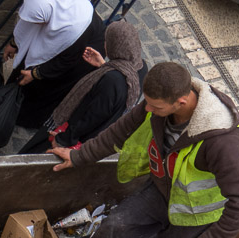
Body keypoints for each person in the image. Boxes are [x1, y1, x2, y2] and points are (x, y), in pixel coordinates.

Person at [48, 62, 239, 238]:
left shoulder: (221, 143)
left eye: (155, 106)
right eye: (146, 102)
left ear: (181, 102)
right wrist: (78, 156)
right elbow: (120, 131)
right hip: (162, 190)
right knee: (113, 226)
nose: (146, 109)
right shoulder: (158, 104)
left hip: (196, 212)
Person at [18, 19, 148, 154]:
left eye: (107, 42)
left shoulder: (112, 80)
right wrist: (104, 66)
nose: (104, 45)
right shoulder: (141, 67)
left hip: (71, 134)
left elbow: (92, 117)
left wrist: (64, 139)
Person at [3, 0, 106, 129]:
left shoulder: (73, 28)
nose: (36, 24)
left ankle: (24, 117)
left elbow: (65, 61)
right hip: (64, 31)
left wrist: (35, 74)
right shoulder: (45, 6)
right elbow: (30, 22)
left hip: (83, 53)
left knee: (48, 84)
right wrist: (14, 43)